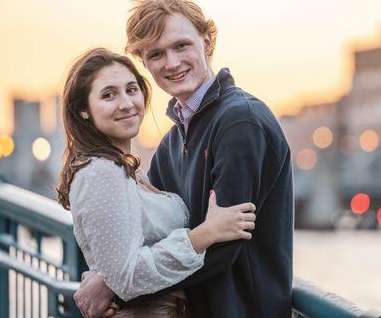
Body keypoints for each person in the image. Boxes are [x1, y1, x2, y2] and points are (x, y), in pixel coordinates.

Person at [75, 0, 295, 318]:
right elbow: (151, 239)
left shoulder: (240, 123)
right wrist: (115, 279)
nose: (172, 63)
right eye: (156, 54)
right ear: (144, 63)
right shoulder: (171, 144)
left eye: (181, 46)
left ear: (207, 42)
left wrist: (114, 289)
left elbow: (224, 246)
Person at [56, 48, 257, 317]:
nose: (126, 103)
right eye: (108, 95)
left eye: (131, 89)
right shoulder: (100, 173)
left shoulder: (123, 168)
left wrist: (104, 280)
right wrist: (207, 233)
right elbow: (127, 279)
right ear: (83, 110)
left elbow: (121, 266)